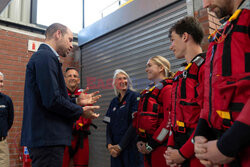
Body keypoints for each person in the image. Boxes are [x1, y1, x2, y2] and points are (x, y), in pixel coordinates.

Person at [21, 23, 101, 167]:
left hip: (47, 138)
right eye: (70, 39)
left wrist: (76, 100)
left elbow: (49, 96)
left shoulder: (46, 57)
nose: (72, 45)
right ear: (58, 34)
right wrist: (81, 111)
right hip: (47, 139)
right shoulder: (45, 57)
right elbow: (52, 100)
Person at [194, 0, 250, 167]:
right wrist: (201, 134)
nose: (205, 5)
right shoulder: (221, 35)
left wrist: (227, 146)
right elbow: (212, 94)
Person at [164, 16, 205, 167]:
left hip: (198, 155)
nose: (171, 46)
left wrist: (183, 154)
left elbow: (207, 118)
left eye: (173, 40)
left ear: (185, 36)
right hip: (179, 152)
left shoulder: (206, 67)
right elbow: (174, 116)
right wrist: (170, 147)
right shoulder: (180, 75)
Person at [133, 56, 173, 167]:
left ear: (161, 68)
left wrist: (151, 145)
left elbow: (168, 122)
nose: (146, 70)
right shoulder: (149, 91)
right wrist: (140, 139)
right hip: (147, 148)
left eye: (149, 66)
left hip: (160, 148)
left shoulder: (167, 89)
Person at [103, 69, 144, 167]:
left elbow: (135, 124)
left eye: (125, 78)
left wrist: (120, 146)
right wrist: (109, 145)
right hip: (115, 150)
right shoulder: (113, 102)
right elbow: (108, 125)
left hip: (130, 148)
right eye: (119, 79)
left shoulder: (135, 97)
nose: (123, 81)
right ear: (115, 83)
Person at [62, 67, 94, 167]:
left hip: (81, 139)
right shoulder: (59, 96)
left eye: (75, 76)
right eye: (69, 76)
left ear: (79, 80)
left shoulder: (84, 96)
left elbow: (89, 114)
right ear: (64, 79)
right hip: (63, 139)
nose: (72, 78)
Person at [0, 72, 14, 167]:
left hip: (2, 144)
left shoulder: (7, 100)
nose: (1, 84)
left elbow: (10, 120)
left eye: (1, 81)